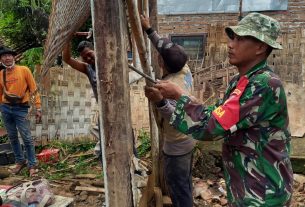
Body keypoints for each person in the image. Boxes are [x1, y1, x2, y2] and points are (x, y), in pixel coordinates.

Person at [152, 13, 293, 206]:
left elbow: (212, 127)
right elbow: (217, 113)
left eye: (240, 39)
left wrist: (178, 96)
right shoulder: (240, 82)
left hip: (263, 193)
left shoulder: (264, 84)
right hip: (246, 188)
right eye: (232, 37)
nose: (230, 44)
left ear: (261, 47)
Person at [140, 15, 195, 207]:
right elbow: (164, 48)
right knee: (184, 183)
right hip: (188, 140)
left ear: (160, 61)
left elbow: (175, 117)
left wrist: (160, 101)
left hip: (176, 146)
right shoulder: (184, 69)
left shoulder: (171, 87)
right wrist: (149, 30)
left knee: (177, 188)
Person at [0, 46, 42, 177]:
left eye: (9, 55)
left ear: (13, 57)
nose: (7, 58)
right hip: (5, 108)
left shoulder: (24, 70)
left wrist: (38, 107)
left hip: (21, 108)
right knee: (12, 137)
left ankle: (32, 164)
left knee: (27, 137)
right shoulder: (1, 74)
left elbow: (33, 89)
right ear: (1, 59)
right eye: (4, 56)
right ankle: (20, 161)